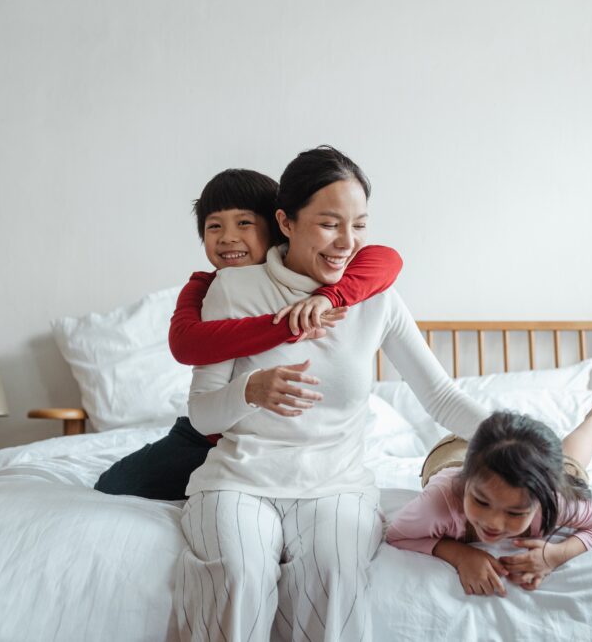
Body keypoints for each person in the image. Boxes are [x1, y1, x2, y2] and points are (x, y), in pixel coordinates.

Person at [176, 146, 492, 642]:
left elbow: (442, 397)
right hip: (241, 479)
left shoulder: (376, 295)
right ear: (285, 221)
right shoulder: (234, 290)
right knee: (238, 572)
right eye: (329, 224)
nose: (347, 243)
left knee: (335, 572)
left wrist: (525, 441)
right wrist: (251, 391)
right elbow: (200, 415)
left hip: (336, 483)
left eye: (360, 225)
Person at [93, 168, 402, 500]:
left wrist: (328, 298)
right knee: (114, 485)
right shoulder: (205, 287)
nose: (227, 237)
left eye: (244, 223)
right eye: (214, 226)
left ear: (279, 227)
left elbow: (387, 259)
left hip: (281, 445)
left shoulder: (317, 282)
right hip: (207, 435)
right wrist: (286, 327)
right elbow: (185, 344)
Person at [386, 399, 592, 597]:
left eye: (515, 512)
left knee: (571, 470)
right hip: (454, 450)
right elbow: (397, 534)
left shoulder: (555, 503)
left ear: (542, 502)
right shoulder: (440, 501)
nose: (493, 522)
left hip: (523, 458)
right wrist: (461, 555)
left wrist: (556, 555)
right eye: (481, 502)